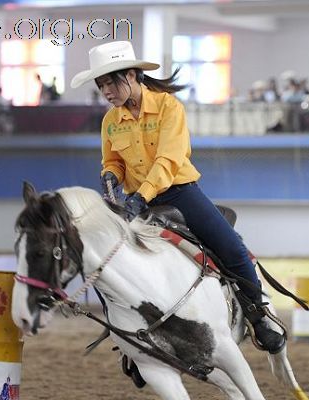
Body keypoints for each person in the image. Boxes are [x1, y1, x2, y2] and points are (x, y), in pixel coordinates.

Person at [70, 41, 285, 355]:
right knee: (107, 261)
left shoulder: (169, 107)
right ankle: (130, 334)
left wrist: (140, 197)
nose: (106, 91)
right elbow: (113, 160)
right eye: (100, 85)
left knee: (233, 249)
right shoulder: (110, 121)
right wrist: (111, 175)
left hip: (179, 194)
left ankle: (258, 314)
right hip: (136, 201)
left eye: (109, 83)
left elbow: (168, 161)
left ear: (131, 75)